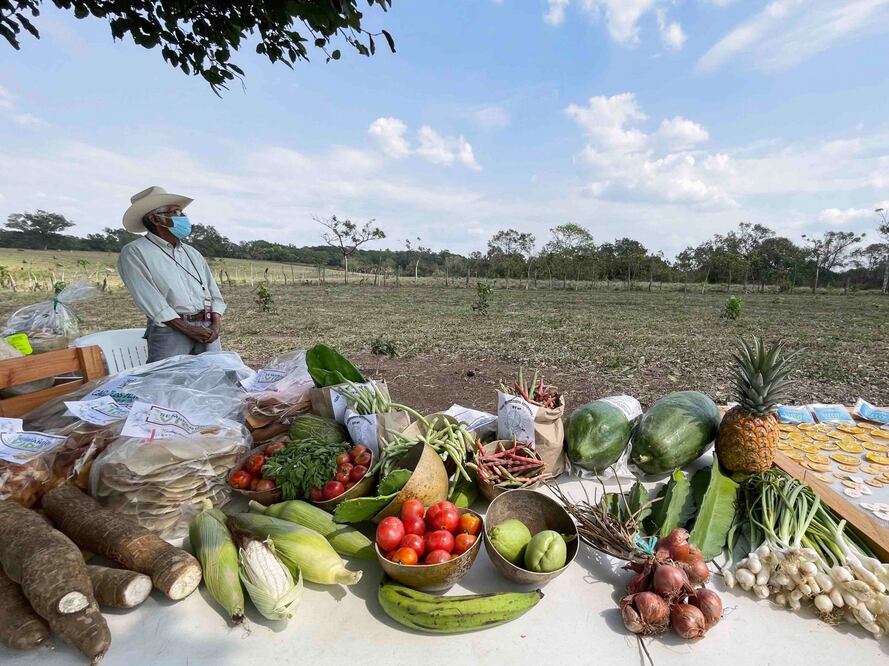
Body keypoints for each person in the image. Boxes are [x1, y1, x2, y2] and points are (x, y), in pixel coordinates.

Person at [117, 186, 226, 363]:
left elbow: (213, 292)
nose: (183, 218)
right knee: (167, 383)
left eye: (182, 212)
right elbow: (150, 299)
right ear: (155, 219)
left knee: (212, 380)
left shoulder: (191, 253)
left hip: (207, 328)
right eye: (175, 212)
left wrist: (216, 324)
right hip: (171, 331)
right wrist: (187, 329)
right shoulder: (136, 252)